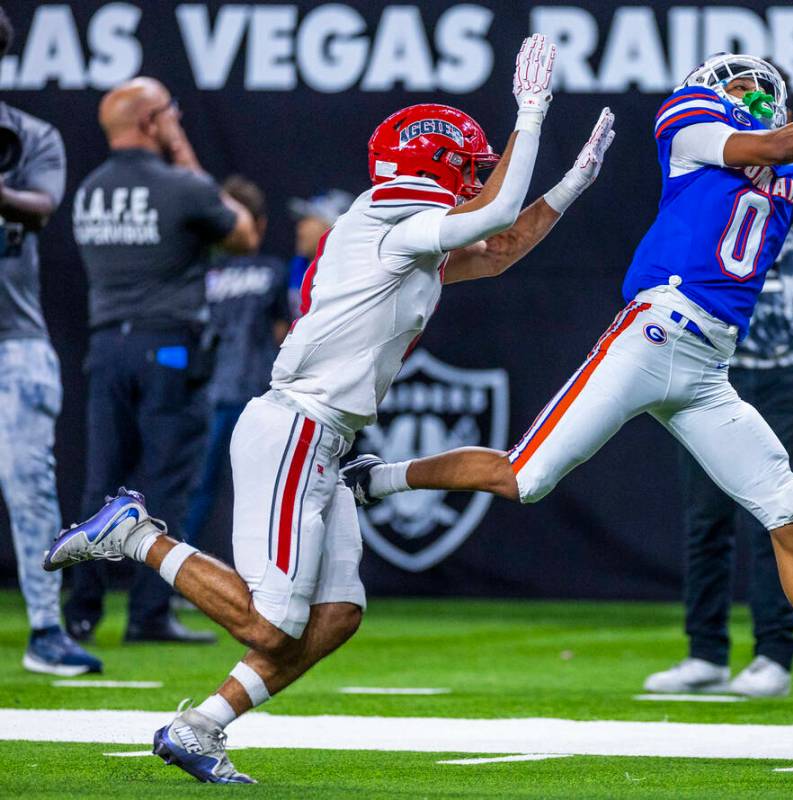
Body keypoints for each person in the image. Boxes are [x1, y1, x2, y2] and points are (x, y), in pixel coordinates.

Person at [346, 51, 793, 727]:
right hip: (653, 332)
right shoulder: (688, 119)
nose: (739, 93)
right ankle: (380, 477)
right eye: (733, 83)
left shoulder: (789, 175)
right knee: (524, 477)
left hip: (709, 366)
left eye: (747, 84)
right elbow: (770, 144)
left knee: (790, 510)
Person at [46, 35, 615, 783]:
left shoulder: (406, 234)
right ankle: (133, 535)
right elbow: (496, 210)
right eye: (466, 167)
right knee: (269, 620)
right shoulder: (386, 210)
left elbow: (501, 244)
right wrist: (531, 113)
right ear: (434, 166)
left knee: (335, 616)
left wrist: (571, 183)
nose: (474, 180)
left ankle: (200, 726)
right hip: (296, 425)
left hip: (327, 439)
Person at [64, 77, 257, 644]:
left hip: (106, 347)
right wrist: (181, 147)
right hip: (168, 346)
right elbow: (242, 234)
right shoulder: (182, 185)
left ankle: (81, 612)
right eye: (169, 114)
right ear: (152, 122)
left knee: (101, 480)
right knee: (167, 479)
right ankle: (149, 614)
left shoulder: (90, 190)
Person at [645, 224, 793, 697]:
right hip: (711, 375)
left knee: (778, 518)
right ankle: (705, 654)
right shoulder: (710, 202)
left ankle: (773, 656)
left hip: (785, 378)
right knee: (705, 518)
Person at [0, 8, 100, 675]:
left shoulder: (30, 135)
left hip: (14, 342)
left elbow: (40, 206)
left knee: (26, 483)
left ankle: (45, 628)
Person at [183, 176, 291, 551]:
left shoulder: (203, 273)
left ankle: (180, 580)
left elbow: (282, 332)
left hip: (233, 396)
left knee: (211, 489)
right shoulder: (268, 272)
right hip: (240, 396)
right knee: (247, 491)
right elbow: (282, 335)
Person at [286, 190, 354, 318]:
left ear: (332, 226)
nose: (300, 226)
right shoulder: (297, 266)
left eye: (309, 219)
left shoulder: (353, 272)